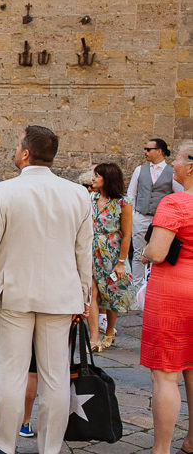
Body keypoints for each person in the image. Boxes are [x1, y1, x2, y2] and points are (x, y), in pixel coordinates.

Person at [0, 125, 93, 454]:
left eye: (18, 144)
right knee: (55, 377)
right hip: (61, 295)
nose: (15, 148)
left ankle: (5, 445)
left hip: (15, 294)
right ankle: (50, 448)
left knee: (11, 375)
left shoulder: (3, 193)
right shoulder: (78, 194)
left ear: (25, 153)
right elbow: (83, 252)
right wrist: (85, 295)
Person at [139, 140, 193, 454]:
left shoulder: (175, 203)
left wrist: (145, 254)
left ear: (190, 167)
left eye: (179, 160)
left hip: (173, 291)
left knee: (165, 374)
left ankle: (161, 449)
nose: (173, 165)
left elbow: (158, 251)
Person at [88, 162, 134, 351]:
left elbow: (126, 234)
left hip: (113, 252)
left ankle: (109, 330)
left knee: (112, 294)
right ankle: (94, 337)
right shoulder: (91, 197)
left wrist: (121, 262)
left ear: (107, 180)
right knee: (92, 292)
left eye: (97, 176)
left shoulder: (123, 203)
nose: (92, 179)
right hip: (91, 250)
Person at [128, 138, 183, 292]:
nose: (145, 152)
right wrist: (133, 217)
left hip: (161, 221)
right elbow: (131, 195)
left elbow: (178, 194)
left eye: (148, 149)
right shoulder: (139, 170)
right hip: (141, 217)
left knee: (158, 253)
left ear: (159, 151)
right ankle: (137, 289)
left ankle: (153, 287)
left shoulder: (172, 172)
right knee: (139, 253)